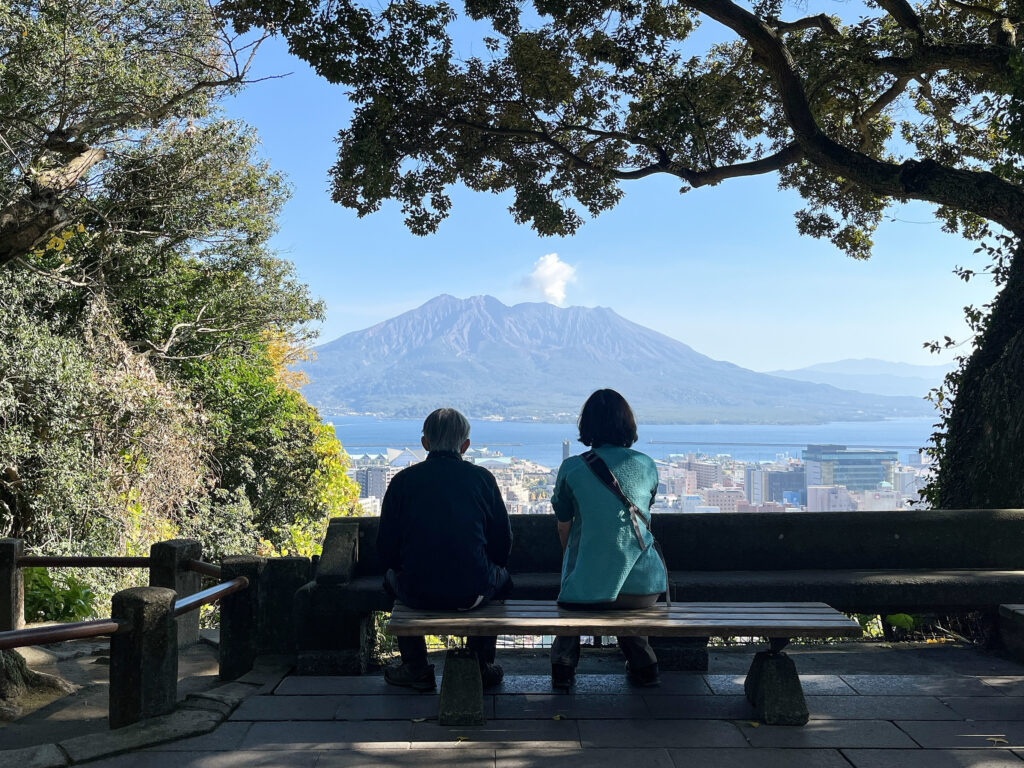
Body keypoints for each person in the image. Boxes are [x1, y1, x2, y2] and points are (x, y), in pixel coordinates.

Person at [378, 407, 513, 691]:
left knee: (392, 579)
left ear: (425, 443)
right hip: (472, 591)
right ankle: (481, 664)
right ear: (465, 445)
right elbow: (502, 544)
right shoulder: (482, 479)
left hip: (415, 591)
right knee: (502, 580)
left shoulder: (403, 482)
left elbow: (386, 549)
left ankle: (415, 666)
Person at [550, 388, 667, 689]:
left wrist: (576, 567)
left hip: (588, 592)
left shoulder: (573, 468)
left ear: (586, 426)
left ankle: (563, 664)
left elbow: (564, 526)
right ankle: (644, 662)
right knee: (621, 592)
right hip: (646, 589)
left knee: (578, 589)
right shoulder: (647, 465)